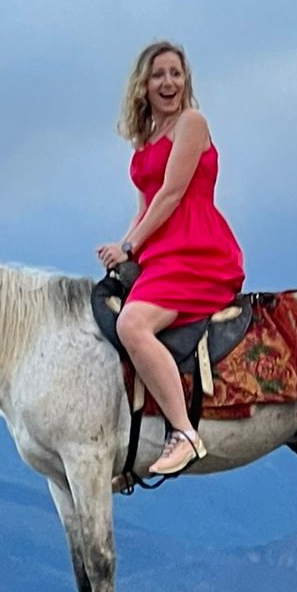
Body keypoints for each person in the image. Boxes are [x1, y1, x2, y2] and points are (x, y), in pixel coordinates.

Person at [97, 41, 245, 476]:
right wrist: (123, 247)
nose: (168, 82)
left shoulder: (191, 124)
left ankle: (184, 432)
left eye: (175, 73)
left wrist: (130, 247)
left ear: (186, 80)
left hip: (196, 249)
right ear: (143, 85)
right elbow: (145, 205)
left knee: (132, 324)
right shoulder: (145, 141)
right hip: (161, 252)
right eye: (159, 74)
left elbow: (172, 193)